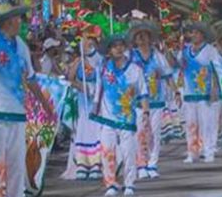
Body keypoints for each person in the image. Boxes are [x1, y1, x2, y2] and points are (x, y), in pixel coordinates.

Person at [0, 1, 54, 196]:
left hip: (17, 114)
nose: (21, 22)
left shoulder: (21, 46)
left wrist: (44, 104)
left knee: (16, 166)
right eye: (18, 18)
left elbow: (31, 78)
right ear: (8, 22)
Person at [90, 33, 149, 196]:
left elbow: (143, 92)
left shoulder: (135, 69)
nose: (118, 48)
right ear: (109, 50)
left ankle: (129, 183)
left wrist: (146, 112)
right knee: (107, 151)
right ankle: (110, 184)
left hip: (127, 118)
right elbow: (89, 53)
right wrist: (86, 37)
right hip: (107, 118)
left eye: (120, 45)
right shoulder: (102, 67)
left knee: (128, 151)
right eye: (114, 46)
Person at [129, 20, 174, 179]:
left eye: (144, 36)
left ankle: (152, 163)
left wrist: (176, 93)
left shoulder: (158, 56)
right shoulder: (130, 56)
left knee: (154, 133)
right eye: (138, 36)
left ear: (150, 38)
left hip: (157, 101)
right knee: (140, 133)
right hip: (137, 102)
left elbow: (168, 75)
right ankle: (141, 164)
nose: (141, 39)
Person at [62, 30, 104, 180]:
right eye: (86, 40)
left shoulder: (100, 60)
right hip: (82, 103)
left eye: (91, 40)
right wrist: (81, 86)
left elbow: (104, 78)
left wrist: (95, 90)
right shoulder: (78, 61)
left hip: (97, 103)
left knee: (96, 132)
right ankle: (83, 163)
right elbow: (70, 79)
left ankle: (96, 164)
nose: (89, 43)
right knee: (83, 131)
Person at [178, 21, 222, 164]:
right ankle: (192, 152)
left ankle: (208, 151)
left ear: (203, 35)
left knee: (207, 123)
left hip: (205, 93)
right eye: (192, 33)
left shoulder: (210, 50)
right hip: (190, 93)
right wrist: (168, 50)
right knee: (191, 124)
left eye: (197, 33)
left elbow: (217, 70)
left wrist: (215, 88)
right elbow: (176, 65)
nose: (194, 35)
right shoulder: (185, 50)